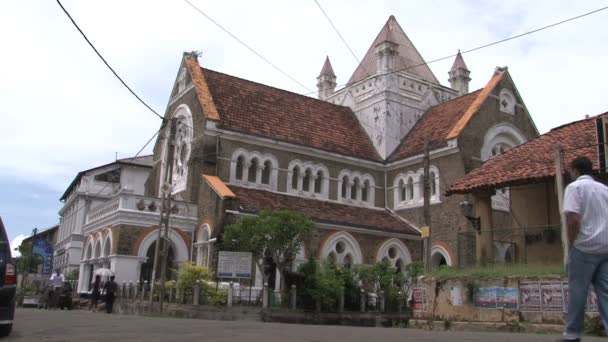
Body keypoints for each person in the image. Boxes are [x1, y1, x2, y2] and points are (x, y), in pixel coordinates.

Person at [560, 156, 608, 341]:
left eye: (571, 171)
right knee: (605, 292)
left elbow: (573, 219)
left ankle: (572, 334)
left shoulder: (574, 188)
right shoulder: (604, 189)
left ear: (576, 171)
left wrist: (572, 243)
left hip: (584, 247)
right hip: (605, 247)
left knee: (578, 290)